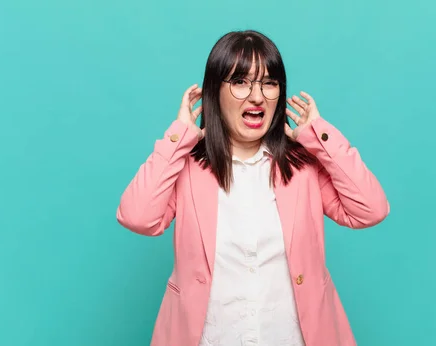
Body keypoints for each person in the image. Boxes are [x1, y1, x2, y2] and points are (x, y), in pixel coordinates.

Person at [116, 29, 390, 346]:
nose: (257, 96)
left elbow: (371, 209)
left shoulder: (303, 167)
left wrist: (320, 136)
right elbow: (137, 216)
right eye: (240, 82)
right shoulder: (187, 166)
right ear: (214, 92)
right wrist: (178, 137)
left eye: (269, 83)